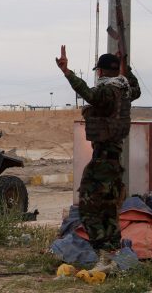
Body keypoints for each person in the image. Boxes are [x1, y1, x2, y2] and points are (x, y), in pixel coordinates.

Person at [56, 46, 141, 269]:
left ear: (101, 72)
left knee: (88, 203)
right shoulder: (125, 91)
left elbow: (88, 93)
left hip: (103, 158)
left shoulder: (108, 92)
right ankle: (113, 249)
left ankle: (101, 247)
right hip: (114, 159)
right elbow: (136, 88)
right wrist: (126, 67)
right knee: (110, 205)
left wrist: (67, 72)